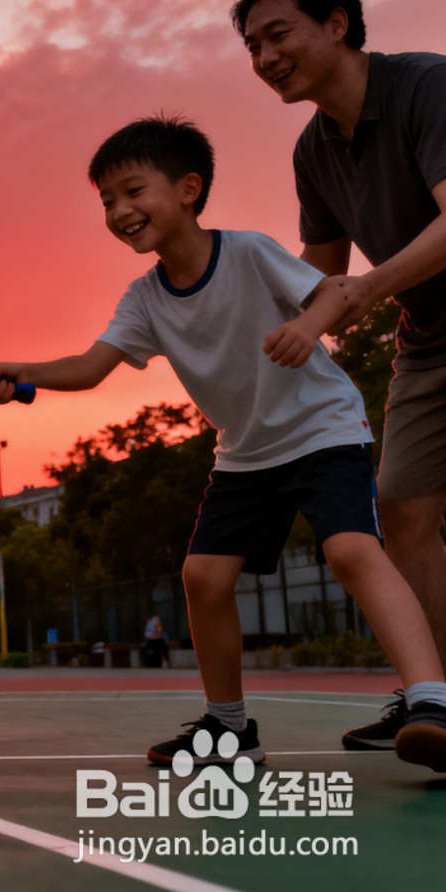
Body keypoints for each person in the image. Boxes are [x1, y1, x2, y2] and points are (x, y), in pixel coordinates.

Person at [0, 115, 446, 772]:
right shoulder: (144, 300)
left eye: (133, 191)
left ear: (189, 188)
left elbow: (332, 292)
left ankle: (432, 701)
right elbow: (89, 366)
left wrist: (307, 327)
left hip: (321, 428)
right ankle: (229, 728)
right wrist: (21, 372)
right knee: (202, 576)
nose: (119, 211)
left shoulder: (248, 251)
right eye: (107, 201)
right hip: (246, 453)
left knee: (351, 550)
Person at [230, 0, 446, 753]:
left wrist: (368, 288)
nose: (264, 56)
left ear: (337, 24)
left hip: (413, 315)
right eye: (252, 44)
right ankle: (437, 698)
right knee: (401, 509)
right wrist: (220, 331)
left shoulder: (427, 86)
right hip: (428, 340)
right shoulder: (312, 152)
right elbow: (319, 280)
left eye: (278, 34)